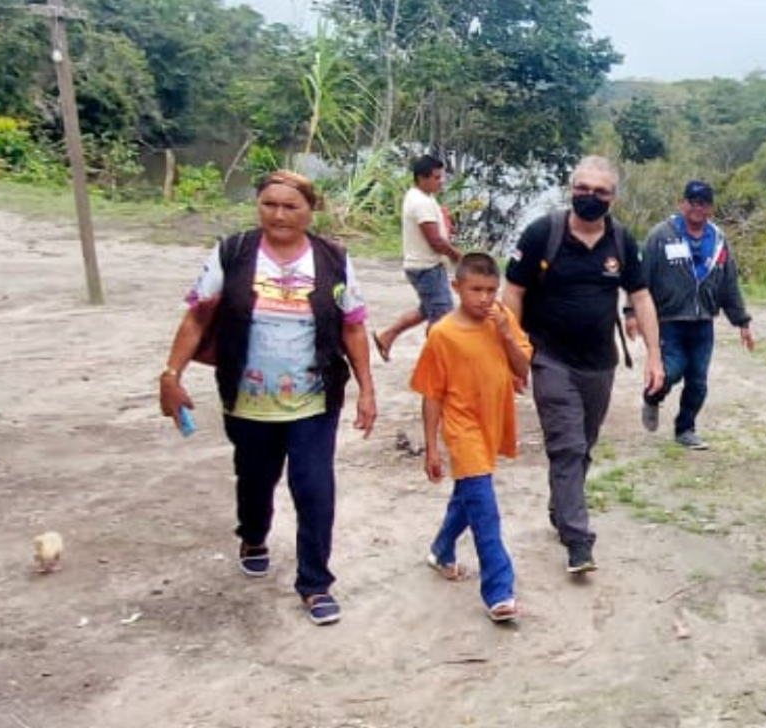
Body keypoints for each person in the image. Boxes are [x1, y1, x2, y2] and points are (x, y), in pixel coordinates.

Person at [158, 170, 377, 626]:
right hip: (248, 399)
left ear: (309, 211)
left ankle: (315, 583)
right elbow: (197, 318)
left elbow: (353, 326)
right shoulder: (233, 253)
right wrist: (171, 374)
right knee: (255, 478)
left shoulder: (333, 259)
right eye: (269, 204)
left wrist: (367, 390)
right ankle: (253, 534)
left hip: (314, 399)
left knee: (315, 488)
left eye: (290, 206)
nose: (278, 214)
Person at [501, 155, 663, 573]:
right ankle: (578, 540)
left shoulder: (622, 241)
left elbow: (641, 297)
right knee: (567, 445)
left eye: (601, 192)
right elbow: (513, 292)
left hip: (599, 364)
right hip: (549, 356)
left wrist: (654, 358)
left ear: (613, 198)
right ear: (571, 189)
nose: (590, 197)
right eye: (583, 189)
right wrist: (512, 353)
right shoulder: (544, 233)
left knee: (583, 445)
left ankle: (562, 509)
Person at [412, 252, 530, 623]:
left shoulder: (502, 319)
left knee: (469, 495)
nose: (484, 298)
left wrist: (508, 334)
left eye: (491, 290)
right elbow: (431, 394)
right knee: (485, 508)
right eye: (475, 289)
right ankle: (499, 590)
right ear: (456, 287)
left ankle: (441, 550)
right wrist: (432, 446)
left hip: (492, 421)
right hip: (461, 428)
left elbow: (522, 367)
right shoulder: (442, 333)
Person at [634, 180, 754, 451]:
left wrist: (742, 321)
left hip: (702, 324)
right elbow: (641, 280)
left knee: (698, 381)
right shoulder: (661, 235)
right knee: (670, 371)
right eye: (693, 202)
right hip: (667, 321)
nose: (698, 208)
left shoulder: (718, 240)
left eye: (704, 203)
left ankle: (685, 429)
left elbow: (729, 284)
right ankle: (652, 398)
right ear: (682, 203)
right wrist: (632, 313)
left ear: (710, 208)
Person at [373, 154, 463, 362]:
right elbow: (435, 241)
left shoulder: (422, 196)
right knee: (442, 317)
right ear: (422, 178)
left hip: (423, 265)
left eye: (441, 177)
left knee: (426, 310)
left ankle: (387, 336)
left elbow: (438, 233)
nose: (441, 182)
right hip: (427, 268)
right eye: (437, 178)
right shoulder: (420, 202)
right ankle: (437, 359)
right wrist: (458, 256)